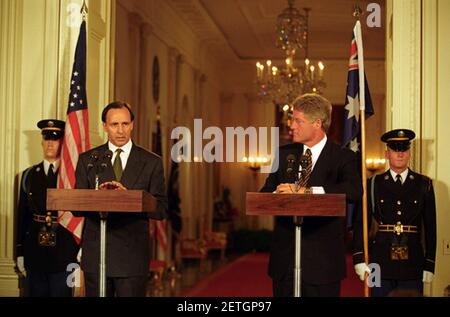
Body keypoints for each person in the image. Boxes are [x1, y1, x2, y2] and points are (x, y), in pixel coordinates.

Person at [260, 93, 363, 297]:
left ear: (317, 123)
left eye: (298, 121)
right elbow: (265, 193)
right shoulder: (283, 153)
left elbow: (354, 191)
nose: (292, 126)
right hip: (285, 261)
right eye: (292, 119)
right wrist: (279, 193)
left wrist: (306, 191)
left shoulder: (343, 157)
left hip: (322, 263)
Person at [75, 101, 168, 297]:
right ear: (104, 127)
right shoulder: (88, 160)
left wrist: (130, 199)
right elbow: (76, 205)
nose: (120, 130)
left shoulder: (151, 162)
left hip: (131, 257)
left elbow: (161, 208)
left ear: (132, 125)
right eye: (114, 125)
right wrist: (98, 198)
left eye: (125, 124)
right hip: (97, 254)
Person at [353, 129, 437, 297]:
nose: (400, 154)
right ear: (387, 154)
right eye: (395, 149)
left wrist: (429, 264)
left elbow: (431, 227)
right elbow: (361, 224)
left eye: (404, 149)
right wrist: (359, 258)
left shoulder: (424, 184)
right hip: (378, 262)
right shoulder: (373, 184)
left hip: (413, 262)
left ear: (409, 153)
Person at [16, 119, 79, 297]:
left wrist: (81, 250)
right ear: (41, 141)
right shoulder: (29, 175)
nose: (50, 142)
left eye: (55, 138)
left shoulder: (71, 176)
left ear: (62, 142)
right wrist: (20, 252)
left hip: (64, 251)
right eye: (47, 138)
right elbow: (23, 215)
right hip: (35, 250)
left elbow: (81, 214)